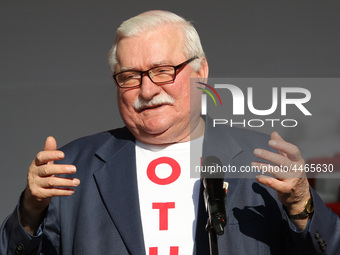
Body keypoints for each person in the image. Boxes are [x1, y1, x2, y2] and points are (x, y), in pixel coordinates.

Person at [1, 10, 339, 255]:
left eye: (163, 71)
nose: (147, 90)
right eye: (130, 76)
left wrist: (301, 206)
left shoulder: (260, 158)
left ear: (201, 72)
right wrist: (30, 213)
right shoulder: (73, 166)